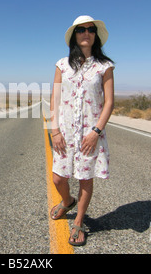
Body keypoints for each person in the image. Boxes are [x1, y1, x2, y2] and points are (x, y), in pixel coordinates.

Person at [49, 15, 115, 246]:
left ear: (95, 36)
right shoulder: (62, 65)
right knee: (58, 178)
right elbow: (54, 99)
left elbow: (109, 102)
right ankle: (67, 201)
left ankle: (78, 221)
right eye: (81, 29)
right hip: (64, 133)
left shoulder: (104, 66)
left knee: (85, 179)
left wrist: (96, 131)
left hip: (90, 134)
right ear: (74, 36)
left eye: (91, 29)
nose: (86, 33)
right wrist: (54, 130)